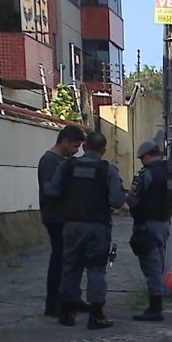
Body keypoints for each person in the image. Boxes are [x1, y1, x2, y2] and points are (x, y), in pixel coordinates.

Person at [45, 131, 126, 329]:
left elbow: (52, 191)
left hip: (71, 225)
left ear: (83, 147)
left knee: (71, 267)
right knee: (96, 269)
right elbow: (117, 200)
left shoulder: (66, 166)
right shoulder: (108, 170)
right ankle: (96, 315)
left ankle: (67, 313)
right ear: (104, 150)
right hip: (97, 227)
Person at [126, 140, 172, 321]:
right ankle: (157, 302)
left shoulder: (147, 174)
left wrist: (125, 196)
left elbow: (134, 199)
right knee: (158, 263)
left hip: (147, 224)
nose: (142, 162)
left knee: (151, 267)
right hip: (164, 224)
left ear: (148, 156)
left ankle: (155, 308)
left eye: (142, 158)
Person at [38, 125, 87, 317]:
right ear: (65, 141)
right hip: (55, 217)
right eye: (75, 146)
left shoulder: (61, 161)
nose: (76, 151)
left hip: (63, 216)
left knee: (69, 260)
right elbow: (51, 190)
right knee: (60, 260)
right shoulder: (50, 161)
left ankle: (70, 298)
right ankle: (54, 302)